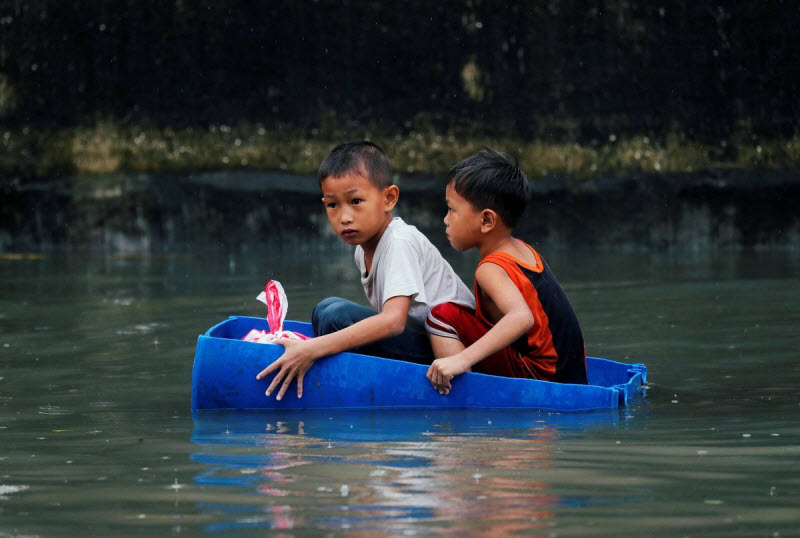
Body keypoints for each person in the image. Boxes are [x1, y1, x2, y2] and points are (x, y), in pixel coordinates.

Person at [256, 141, 474, 400]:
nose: (344, 217)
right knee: (323, 311)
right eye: (333, 205)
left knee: (335, 315)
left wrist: (312, 349)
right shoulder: (363, 248)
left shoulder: (399, 242)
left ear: (389, 199)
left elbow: (393, 322)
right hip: (421, 341)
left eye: (356, 201)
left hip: (453, 356)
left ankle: (333, 389)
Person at [425, 149, 587, 395]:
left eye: (451, 210)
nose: (445, 220)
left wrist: (463, 359)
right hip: (569, 374)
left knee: (441, 316)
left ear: (487, 221)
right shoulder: (523, 251)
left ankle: (460, 394)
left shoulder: (491, 268)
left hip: (541, 378)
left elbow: (521, 318)